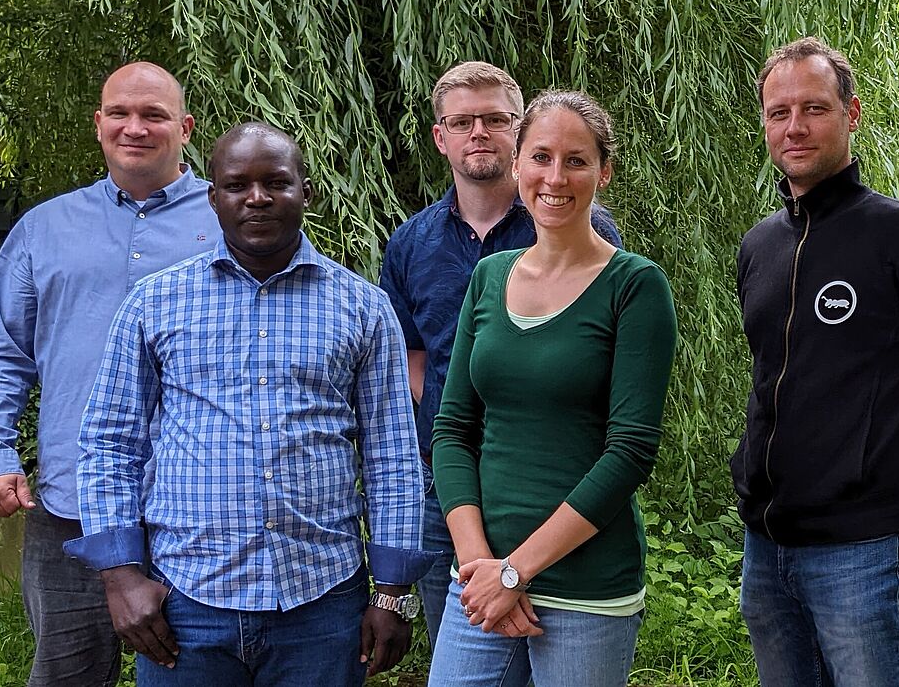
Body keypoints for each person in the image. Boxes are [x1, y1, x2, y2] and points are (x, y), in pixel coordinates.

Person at [63, 122, 434, 686]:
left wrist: (393, 592)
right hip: (184, 605)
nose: (257, 198)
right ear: (213, 197)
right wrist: (120, 576)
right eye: (237, 185)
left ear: (306, 192)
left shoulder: (362, 307)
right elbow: (111, 442)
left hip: (323, 605)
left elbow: (392, 455)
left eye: (276, 182)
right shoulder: (155, 302)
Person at [731, 37, 899, 686]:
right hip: (767, 551)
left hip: (862, 552)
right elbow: (770, 382)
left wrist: (886, 492)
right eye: (778, 112)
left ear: (852, 113)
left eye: (813, 108)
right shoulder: (759, 246)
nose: (794, 126)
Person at [0, 61, 219, 686]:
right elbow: (4, 351)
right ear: (98, 123)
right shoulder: (42, 230)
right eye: (121, 114)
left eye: (154, 115)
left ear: (184, 127)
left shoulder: (231, 220)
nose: (136, 127)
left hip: (201, 509)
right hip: (72, 510)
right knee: (67, 676)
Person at [425, 90, 677, 686]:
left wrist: (516, 572)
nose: (554, 177)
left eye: (576, 160)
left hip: (586, 587)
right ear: (516, 165)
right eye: (540, 157)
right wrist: (480, 567)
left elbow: (630, 451)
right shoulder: (489, 277)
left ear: (604, 172)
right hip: (481, 581)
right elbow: (452, 430)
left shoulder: (635, 287)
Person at [379, 61, 621, 647]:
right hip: (448, 498)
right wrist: (455, 417)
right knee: (468, 646)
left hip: (551, 488)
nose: (478, 133)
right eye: (462, 123)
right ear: (440, 138)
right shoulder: (411, 244)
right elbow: (412, 351)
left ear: (518, 135)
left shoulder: (583, 227)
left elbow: (600, 359)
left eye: (495, 119)